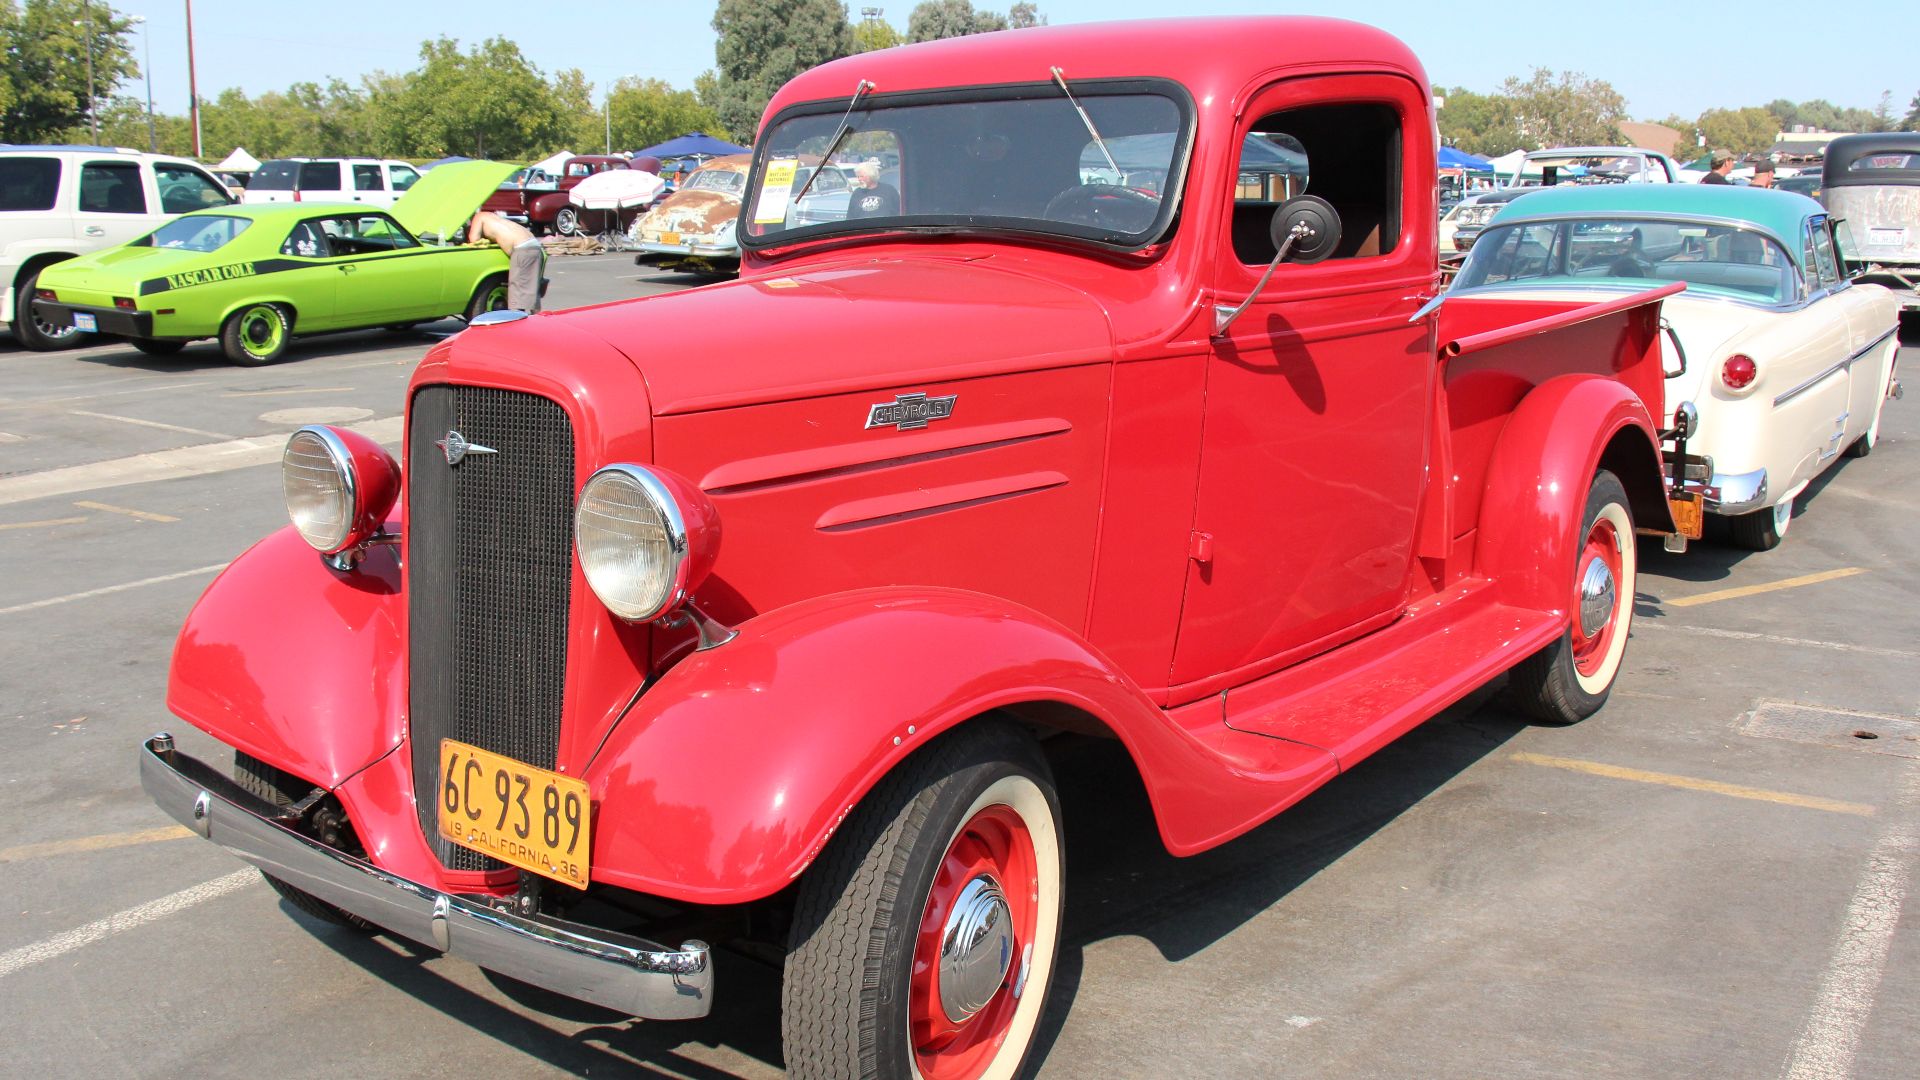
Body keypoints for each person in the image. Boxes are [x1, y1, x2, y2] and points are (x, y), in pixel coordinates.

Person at [467, 211, 543, 312]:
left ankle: (519, 323)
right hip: (533, 243)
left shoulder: (478, 217)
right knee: (531, 290)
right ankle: (538, 320)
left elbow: (474, 238)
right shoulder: (491, 216)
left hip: (522, 248)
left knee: (516, 293)